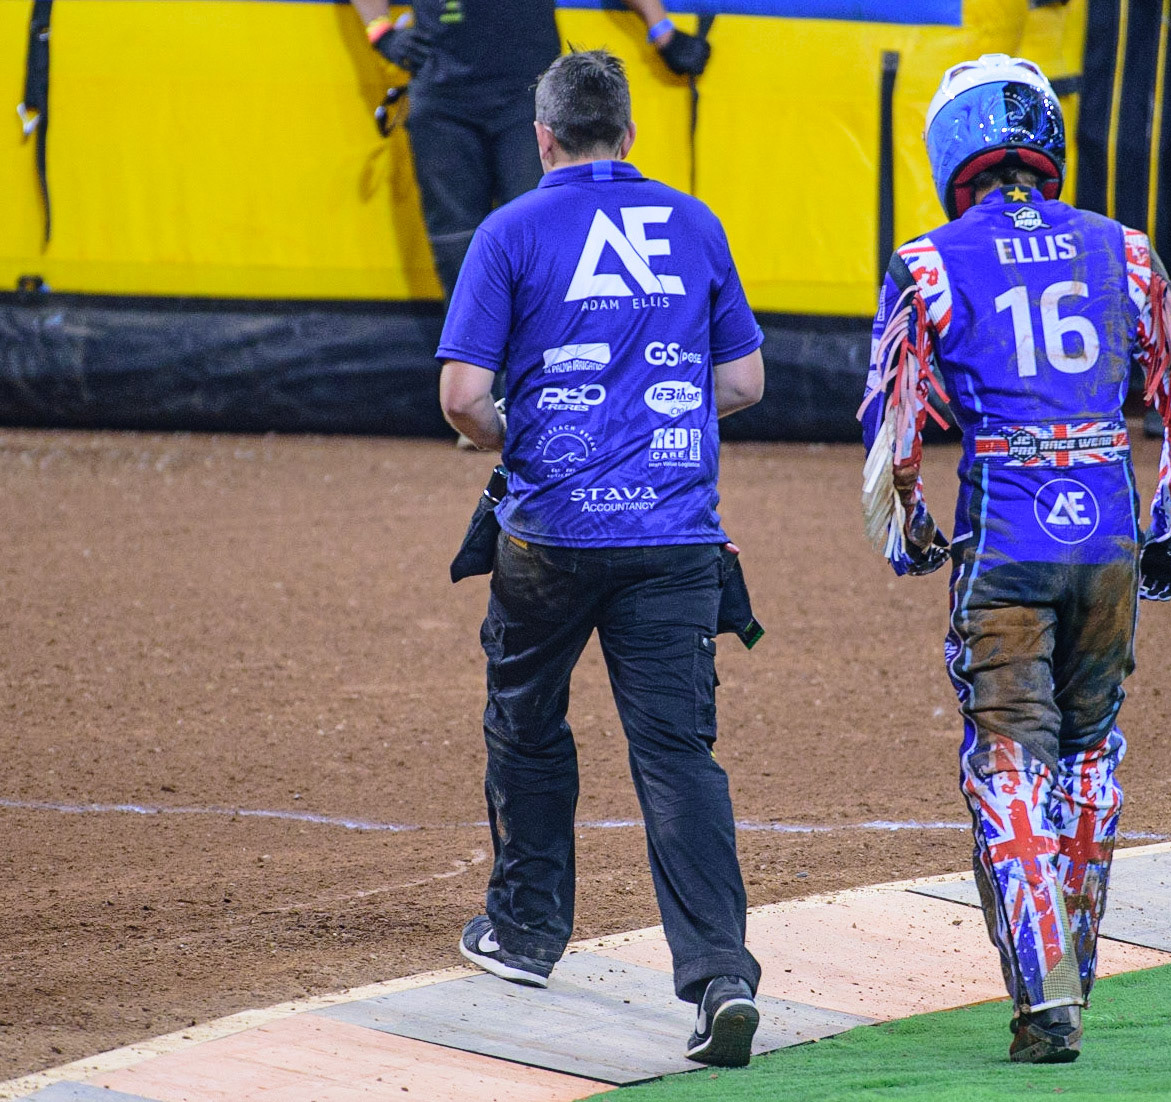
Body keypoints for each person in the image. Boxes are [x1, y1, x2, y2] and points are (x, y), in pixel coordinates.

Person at [860, 54, 1171, 1064]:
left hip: (1007, 541)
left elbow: (899, 434)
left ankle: (1044, 994)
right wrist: (1169, 528)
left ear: (954, 150)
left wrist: (911, 529)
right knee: (1091, 753)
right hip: (1110, 536)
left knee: (1007, 757)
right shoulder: (1125, 249)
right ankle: (1073, 958)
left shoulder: (927, 261)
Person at [436, 49, 767, 1068]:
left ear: (543, 138)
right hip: (674, 540)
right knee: (676, 755)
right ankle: (717, 976)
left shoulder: (509, 231)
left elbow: (461, 397)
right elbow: (745, 382)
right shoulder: (696, 223)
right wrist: (650, 424)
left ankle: (528, 931)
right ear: (629, 133)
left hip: (552, 533)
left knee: (528, 719)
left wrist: (524, 436)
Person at [350, 0, 712, 298]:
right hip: (443, 100)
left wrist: (661, 29)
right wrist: (379, 31)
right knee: (456, 246)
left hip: (528, 98)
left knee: (537, 235)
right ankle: (474, 373)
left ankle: (534, 368)